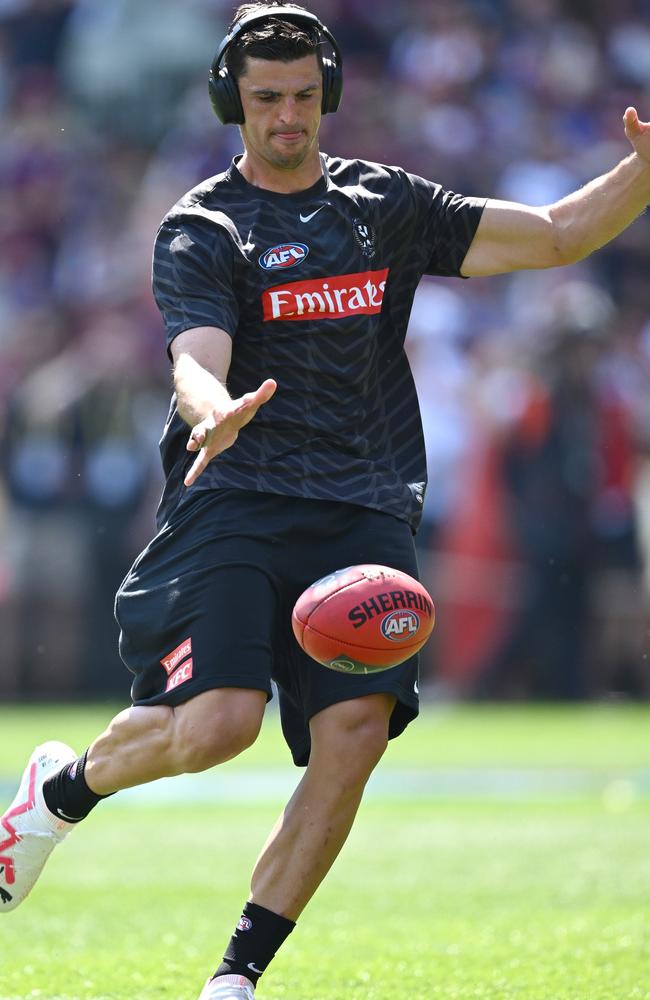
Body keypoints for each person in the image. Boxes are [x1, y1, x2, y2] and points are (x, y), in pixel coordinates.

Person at [2, 4, 649, 997]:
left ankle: (235, 976)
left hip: (364, 504)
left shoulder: (382, 204)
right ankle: (60, 789)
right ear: (233, 102)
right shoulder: (202, 224)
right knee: (216, 724)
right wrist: (211, 407)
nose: (288, 116)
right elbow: (193, 356)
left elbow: (556, 234)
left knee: (352, 736)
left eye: (305, 96)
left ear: (329, 94)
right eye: (267, 99)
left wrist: (638, 172)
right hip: (237, 494)